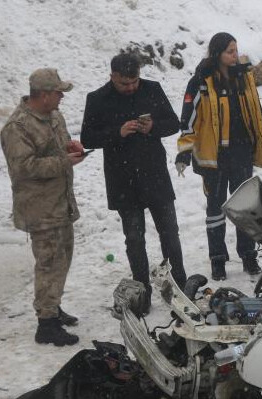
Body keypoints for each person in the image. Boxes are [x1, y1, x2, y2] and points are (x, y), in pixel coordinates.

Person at [81, 53, 187, 314]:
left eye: (134, 82)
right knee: (134, 238)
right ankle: (142, 291)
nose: (130, 88)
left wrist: (152, 127)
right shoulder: (97, 99)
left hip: (155, 175)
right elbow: (87, 137)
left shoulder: (152, 89)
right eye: (124, 83)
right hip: (122, 180)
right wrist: (117, 133)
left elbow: (174, 123)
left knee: (170, 233)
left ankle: (180, 287)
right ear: (112, 76)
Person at [175, 32, 262, 280]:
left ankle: (248, 255)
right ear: (217, 53)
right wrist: (185, 152)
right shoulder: (201, 81)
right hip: (214, 157)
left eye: (235, 49)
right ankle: (217, 259)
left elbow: (257, 114)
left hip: (242, 153)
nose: (234, 54)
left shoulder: (245, 77)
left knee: (245, 206)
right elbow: (189, 119)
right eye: (230, 50)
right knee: (215, 210)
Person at [0, 68, 83, 346]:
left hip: (60, 204)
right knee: (48, 264)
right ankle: (46, 325)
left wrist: (71, 148)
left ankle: (53, 307)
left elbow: (57, 149)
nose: (62, 97)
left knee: (63, 259)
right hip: (40, 209)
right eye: (58, 92)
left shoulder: (54, 116)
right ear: (44, 95)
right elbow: (23, 167)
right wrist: (64, 162)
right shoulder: (18, 127)